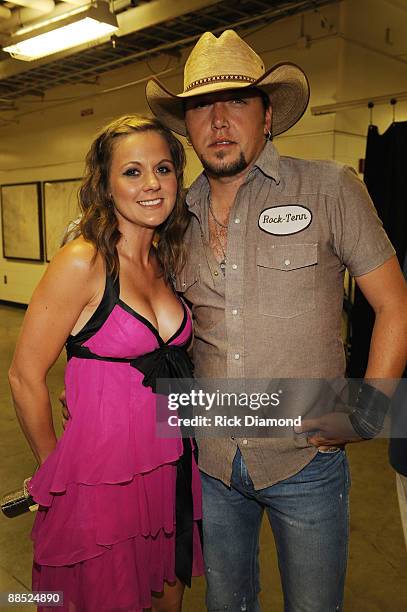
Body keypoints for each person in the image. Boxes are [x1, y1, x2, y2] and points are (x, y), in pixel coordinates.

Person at [145, 30, 407, 611]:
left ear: (267, 116)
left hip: (306, 458)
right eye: (199, 106)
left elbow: (394, 302)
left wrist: (369, 412)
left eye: (237, 100)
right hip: (210, 460)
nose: (217, 119)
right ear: (185, 126)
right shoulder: (174, 221)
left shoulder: (331, 187)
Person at [8, 115, 204, 612]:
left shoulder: (166, 260)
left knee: (168, 593)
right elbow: (25, 374)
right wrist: (53, 469)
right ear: (105, 183)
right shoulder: (84, 260)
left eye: (163, 168)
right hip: (99, 478)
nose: (152, 184)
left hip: (170, 464)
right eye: (132, 172)